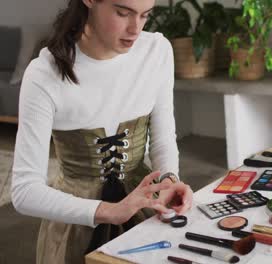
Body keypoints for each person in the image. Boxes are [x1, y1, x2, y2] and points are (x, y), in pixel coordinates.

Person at [10, 0, 193, 263]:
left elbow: (163, 138)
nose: (135, 29)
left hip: (145, 212)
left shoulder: (157, 51)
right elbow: (25, 191)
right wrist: (109, 211)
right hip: (76, 225)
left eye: (145, 15)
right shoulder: (44, 74)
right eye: (123, 13)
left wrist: (169, 182)